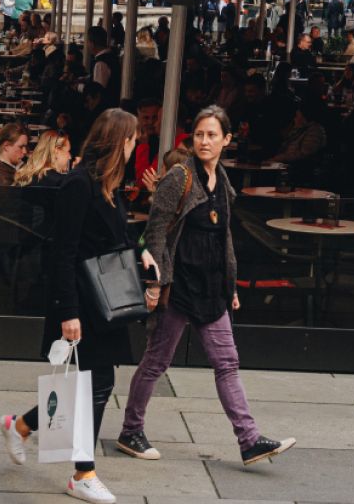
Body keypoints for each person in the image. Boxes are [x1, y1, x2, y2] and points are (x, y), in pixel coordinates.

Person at [117, 105, 293, 468]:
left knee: (227, 363)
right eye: (199, 134)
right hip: (179, 288)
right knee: (156, 362)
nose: (204, 141)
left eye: (212, 135)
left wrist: (231, 285)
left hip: (213, 289)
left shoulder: (223, 182)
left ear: (227, 140)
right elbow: (154, 234)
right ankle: (130, 430)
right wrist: (156, 284)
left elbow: (222, 237)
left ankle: (249, 441)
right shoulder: (178, 178)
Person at [0, 110, 142, 504]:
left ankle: (22, 425)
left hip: (102, 300)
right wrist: (68, 312)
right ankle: (82, 472)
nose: (134, 147)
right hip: (82, 299)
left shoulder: (107, 183)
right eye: (132, 140)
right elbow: (63, 251)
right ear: (119, 142)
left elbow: (113, 236)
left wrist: (141, 255)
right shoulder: (80, 184)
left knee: (92, 384)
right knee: (93, 385)